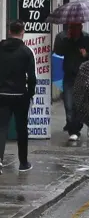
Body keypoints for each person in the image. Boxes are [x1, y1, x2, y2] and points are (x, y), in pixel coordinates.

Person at [54, 23, 89, 141]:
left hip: (83, 76)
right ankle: (73, 130)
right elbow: (58, 51)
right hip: (69, 76)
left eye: (76, 27)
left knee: (81, 104)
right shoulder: (64, 39)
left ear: (80, 28)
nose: (73, 30)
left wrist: (87, 55)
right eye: (71, 28)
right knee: (69, 105)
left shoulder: (87, 39)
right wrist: (66, 41)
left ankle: (82, 126)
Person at [0, 20, 36, 172]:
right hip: (20, 94)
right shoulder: (26, 51)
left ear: (9, 31)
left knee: (2, 127)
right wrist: (31, 92)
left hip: (2, 93)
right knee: (22, 128)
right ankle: (23, 163)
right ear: (22, 32)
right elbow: (32, 77)